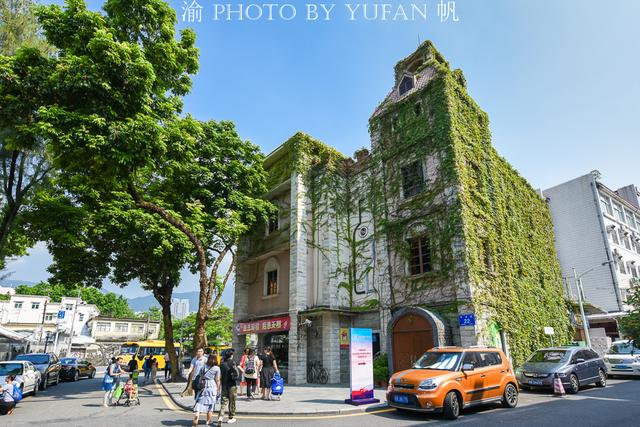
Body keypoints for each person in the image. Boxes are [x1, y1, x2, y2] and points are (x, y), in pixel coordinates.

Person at [192, 354, 221, 426]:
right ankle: (208, 421)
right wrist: (218, 389)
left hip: (203, 385)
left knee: (200, 401)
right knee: (211, 404)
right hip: (212, 386)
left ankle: (197, 414)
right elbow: (217, 380)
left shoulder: (204, 366)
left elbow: (199, 375)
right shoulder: (217, 368)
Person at [217, 349, 243, 426]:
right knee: (232, 401)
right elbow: (238, 372)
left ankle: (220, 417)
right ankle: (231, 417)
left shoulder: (221, 363)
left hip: (224, 384)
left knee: (223, 401)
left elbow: (219, 375)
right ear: (231, 355)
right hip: (232, 385)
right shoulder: (233, 362)